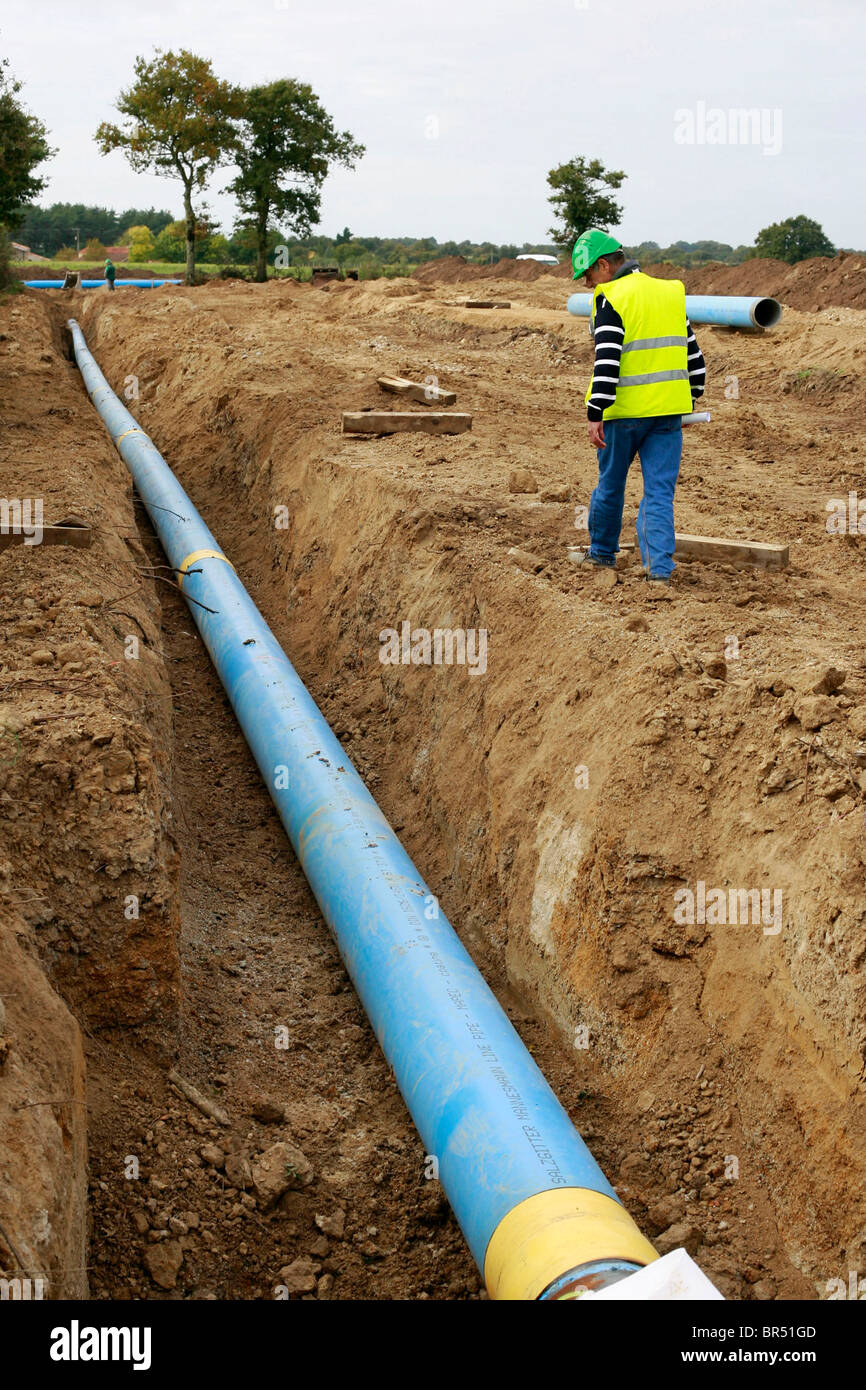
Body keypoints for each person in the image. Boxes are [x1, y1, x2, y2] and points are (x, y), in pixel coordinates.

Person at [574, 229, 705, 583]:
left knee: (611, 485)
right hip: (667, 415)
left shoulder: (611, 297)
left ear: (604, 265)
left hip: (623, 416)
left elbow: (607, 360)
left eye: (588, 275)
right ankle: (659, 571)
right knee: (659, 493)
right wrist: (690, 398)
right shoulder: (669, 292)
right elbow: (694, 357)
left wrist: (594, 412)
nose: (588, 284)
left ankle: (602, 554)